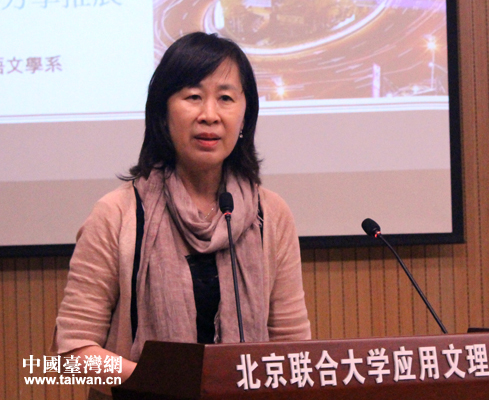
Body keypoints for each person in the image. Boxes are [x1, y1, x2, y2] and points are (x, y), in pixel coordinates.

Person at [51, 32, 311, 398]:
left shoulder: (270, 214)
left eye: (225, 98)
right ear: (163, 112)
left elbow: (293, 351)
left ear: (244, 117)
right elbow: (71, 354)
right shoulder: (117, 214)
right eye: (193, 97)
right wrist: (164, 382)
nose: (209, 115)